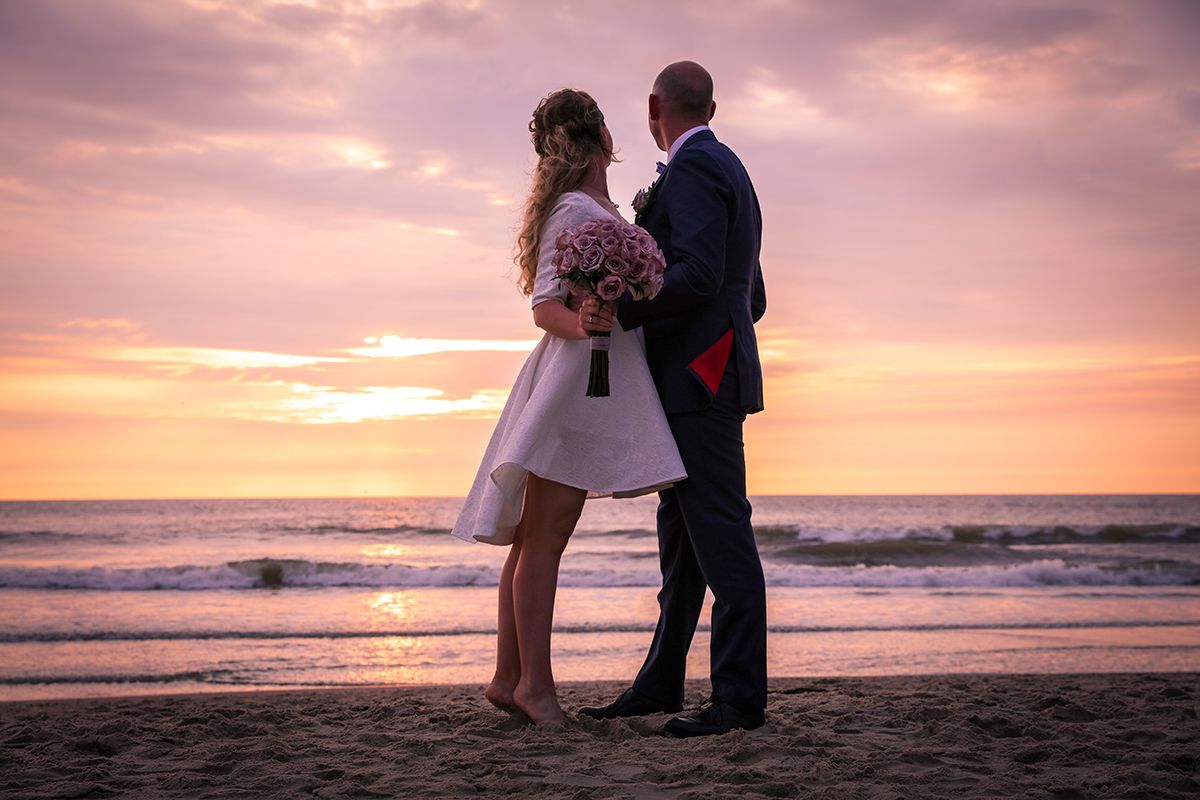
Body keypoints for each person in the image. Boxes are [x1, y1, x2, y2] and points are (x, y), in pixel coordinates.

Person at [450, 88, 687, 726]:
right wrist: (587, 325)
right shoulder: (573, 209)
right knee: (547, 537)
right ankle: (536, 688)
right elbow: (545, 308)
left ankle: (508, 677)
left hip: (591, 377)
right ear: (600, 137)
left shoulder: (597, 206)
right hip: (576, 382)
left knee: (534, 537)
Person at [579, 61, 768, 737]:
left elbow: (700, 275)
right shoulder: (730, 170)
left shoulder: (693, 171)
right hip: (704, 374)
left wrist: (624, 307)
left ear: (655, 104)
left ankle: (739, 701)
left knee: (720, 537)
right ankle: (661, 682)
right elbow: (752, 294)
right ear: (710, 108)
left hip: (699, 381)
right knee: (683, 547)